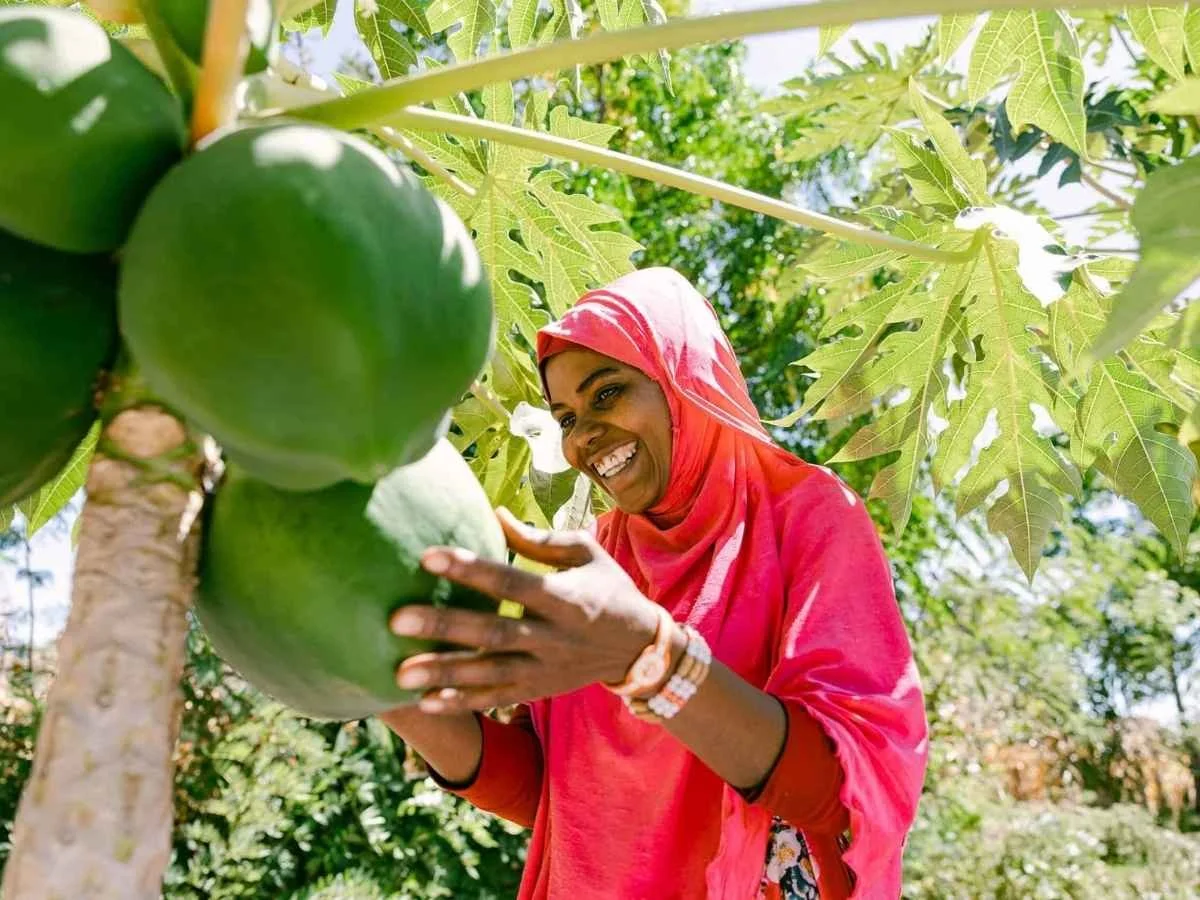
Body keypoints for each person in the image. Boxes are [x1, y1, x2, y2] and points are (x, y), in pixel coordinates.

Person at [379, 267, 929, 899]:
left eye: (607, 394)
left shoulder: (805, 515)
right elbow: (551, 791)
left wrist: (652, 660)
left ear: (683, 379)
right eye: (565, 417)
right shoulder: (600, 555)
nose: (582, 437)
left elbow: (846, 789)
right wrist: (380, 684)